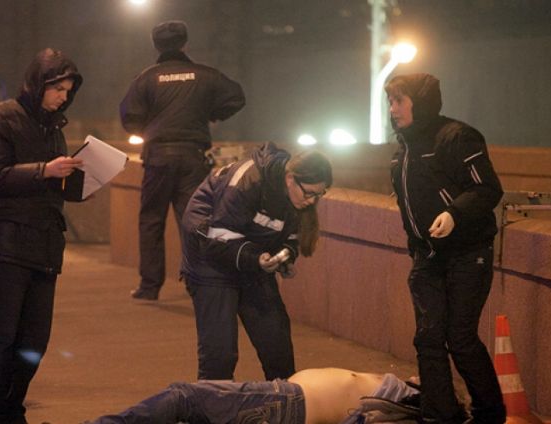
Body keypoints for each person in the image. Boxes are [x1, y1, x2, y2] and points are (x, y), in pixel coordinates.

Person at [386, 73, 506, 424]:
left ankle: (489, 414)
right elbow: (409, 207)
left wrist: (454, 214)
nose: (392, 109)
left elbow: (487, 189)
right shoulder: (403, 151)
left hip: (468, 253)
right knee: (427, 338)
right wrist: (416, 247)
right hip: (427, 257)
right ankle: (441, 415)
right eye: (390, 101)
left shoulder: (457, 137)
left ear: (420, 103)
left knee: (460, 337)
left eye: (399, 101)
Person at [0, 48, 83, 424]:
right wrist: (44, 171)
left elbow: (54, 184)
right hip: (7, 243)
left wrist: (82, 182)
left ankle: (13, 407)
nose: (63, 97)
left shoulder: (54, 127)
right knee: (1, 336)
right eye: (58, 89)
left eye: (68, 91)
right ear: (39, 84)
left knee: (35, 340)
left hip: (45, 244)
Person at [181, 142, 333, 381]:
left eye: (319, 194)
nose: (312, 201)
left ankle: (283, 400)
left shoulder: (296, 197)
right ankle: (214, 400)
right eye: (310, 193)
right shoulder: (247, 180)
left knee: (276, 343)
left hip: (252, 258)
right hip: (209, 260)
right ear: (290, 179)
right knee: (220, 353)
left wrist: (284, 256)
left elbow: (290, 237)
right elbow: (218, 236)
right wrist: (256, 258)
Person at [120, 20, 246, 301]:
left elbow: (128, 116)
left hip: (158, 158)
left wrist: (150, 128)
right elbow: (236, 98)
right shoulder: (206, 75)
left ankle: (149, 287)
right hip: (193, 158)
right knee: (194, 221)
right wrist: (211, 114)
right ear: (185, 43)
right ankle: (198, 284)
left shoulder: (145, 79)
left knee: (151, 221)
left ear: (156, 45)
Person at [85, 367, 421, 424]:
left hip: (286, 402)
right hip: (284, 401)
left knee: (184, 397)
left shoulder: (410, 404)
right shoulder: (403, 388)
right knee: (187, 403)